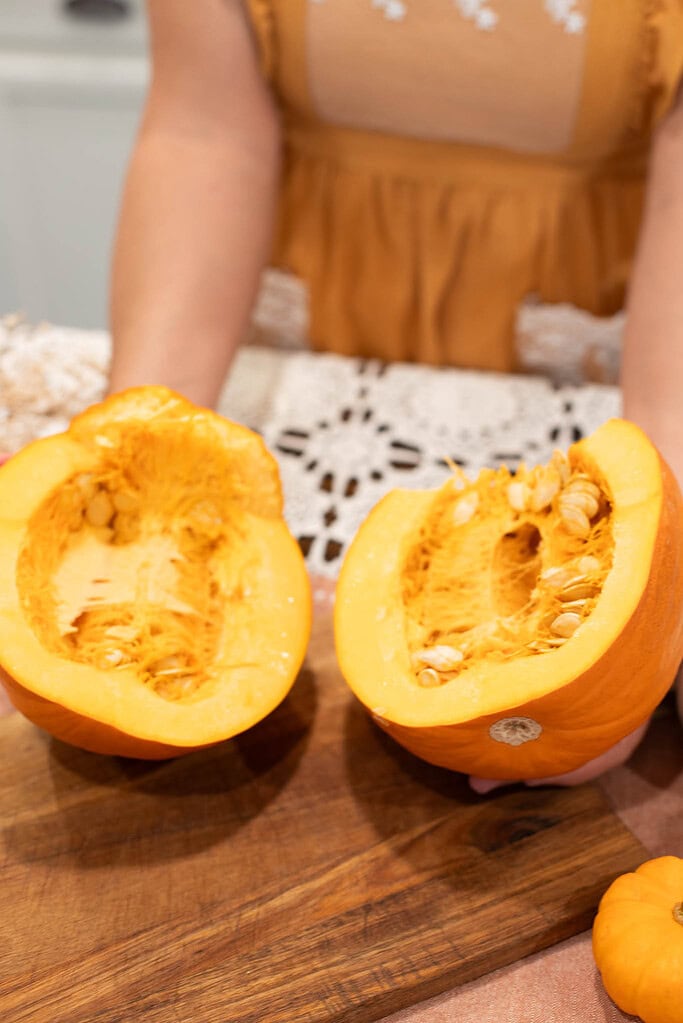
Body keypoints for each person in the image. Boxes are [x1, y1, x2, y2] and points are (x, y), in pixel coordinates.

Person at [109, 1, 683, 785]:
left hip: (608, 338)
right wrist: (132, 447)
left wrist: (656, 558)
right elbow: (202, 133)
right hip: (322, 314)